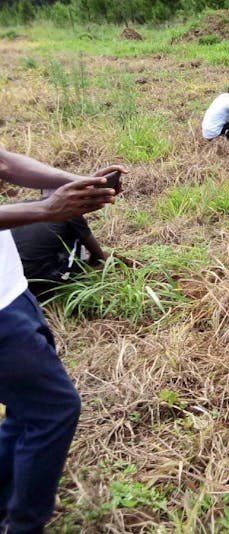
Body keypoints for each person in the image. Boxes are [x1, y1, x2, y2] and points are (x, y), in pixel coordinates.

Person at [0, 148, 124, 533]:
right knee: (55, 408)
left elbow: (3, 162)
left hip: (14, 291)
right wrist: (45, 210)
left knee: (28, 409)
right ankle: (24, 524)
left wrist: (75, 182)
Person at [11, 192, 113, 296]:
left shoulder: (19, 206)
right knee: (78, 242)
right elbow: (99, 257)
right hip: (42, 285)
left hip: (12, 282)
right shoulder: (67, 209)